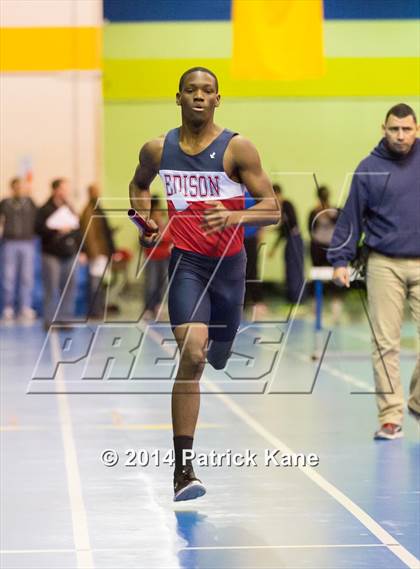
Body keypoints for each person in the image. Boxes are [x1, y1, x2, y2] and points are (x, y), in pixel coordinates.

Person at [129, 67, 280, 501]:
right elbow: (138, 186)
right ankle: (183, 471)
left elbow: (271, 209)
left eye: (207, 90)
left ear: (218, 99)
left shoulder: (238, 149)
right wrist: (144, 221)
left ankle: (223, 344)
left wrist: (234, 215)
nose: (199, 96)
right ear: (177, 97)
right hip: (188, 266)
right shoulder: (158, 150)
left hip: (230, 269)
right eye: (191, 90)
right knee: (192, 355)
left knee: (216, 357)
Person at [328, 103, 420, 440]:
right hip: (384, 263)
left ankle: (418, 402)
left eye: (406, 129)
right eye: (394, 129)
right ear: (383, 128)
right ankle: (390, 416)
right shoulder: (368, 169)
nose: (400, 135)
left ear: (417, 129)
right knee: (385, 342)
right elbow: (350, 217)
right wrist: (340, 260)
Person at [35, 178, 83, 330]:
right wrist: (56, 229)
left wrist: (81, 250)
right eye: (63, 189)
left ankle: (65, 319)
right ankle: (49, 320)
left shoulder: (69, 208)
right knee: (51, 287)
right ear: (55, 190)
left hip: (68, 253)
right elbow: (37, 229)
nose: (66, 192)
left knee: (69, 287)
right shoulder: (44, 209)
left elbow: (78, 229)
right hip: (51, 254)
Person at [0, 177, 38, 321]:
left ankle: (25, 307)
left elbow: (38, 220)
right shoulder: (5, 203)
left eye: (22, 187)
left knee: (26, 277)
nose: (20, 189)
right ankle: (8, 307)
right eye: (17, 187)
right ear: (12, 188)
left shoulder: (30, 203)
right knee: (8, 277)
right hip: (10, 243)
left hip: (27, 243)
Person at [80, 184, 115, 319]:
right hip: (97, 252)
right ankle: (95, 311)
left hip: (102, 251)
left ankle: (98, 309)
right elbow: (89, 234)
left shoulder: (96, 209)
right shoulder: (90, 210)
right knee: (95, 283)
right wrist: (94, 252)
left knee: (99, 282)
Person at [269, 184, 305, 303]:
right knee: (289, 269)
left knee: (295, 270)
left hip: (295, 240)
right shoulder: (280, 208)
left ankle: (298, 299)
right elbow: (283, 231)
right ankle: (291, 297)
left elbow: (289, 226)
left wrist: (275, 228)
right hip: (289, 241)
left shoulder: (287, 205)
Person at [142, 196, 172, 320]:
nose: (159, 213)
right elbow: (151, 239)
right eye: (156, 211)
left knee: (163, 283)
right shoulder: (149, 223)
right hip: (152, 257)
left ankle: (158, 307)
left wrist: (163, 239)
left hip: (165, 257)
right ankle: (148, 308)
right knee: (151, 284)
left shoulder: (165, 223)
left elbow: (168, 238)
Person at [243, 189, 268, 318]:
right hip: (237, 239)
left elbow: (263, 214)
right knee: (239, 271)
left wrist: (261, 231)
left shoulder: (254, 194)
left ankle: (258, 301)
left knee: (252, 270)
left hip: (251, 238)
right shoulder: (235, 193)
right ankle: (242, 303)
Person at [308, 185, 338, 267]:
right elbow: (310, 229)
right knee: (317, 272)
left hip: (331, 246)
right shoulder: (314, 212)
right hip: (317, 246)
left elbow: (339, 225)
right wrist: (316, 214)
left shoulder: (334, 210)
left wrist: (327, 213)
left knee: (332, 272)